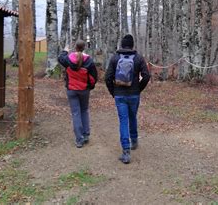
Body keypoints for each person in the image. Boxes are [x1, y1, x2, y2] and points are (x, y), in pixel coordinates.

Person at [105, 34, 151, 164]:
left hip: (120, 95)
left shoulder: (115, 58)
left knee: (123, 121)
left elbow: (107, 78)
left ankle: (126, 152)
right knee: (133, 117)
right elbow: (147, 76)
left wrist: (113, 92)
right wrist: (139, 88)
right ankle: (134, 140)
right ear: (132, 45)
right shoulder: (138, 58)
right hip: (134, 94)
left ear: (122, 44)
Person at [58, 40, 98, 148]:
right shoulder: (89, 60)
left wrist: (65, 51)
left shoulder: (68, 59)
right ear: (84, 47)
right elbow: (94, 77)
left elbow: (60, 58)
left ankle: (79, 139)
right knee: (84, 111)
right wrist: (90, 87)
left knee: (76, 113)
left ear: (75, 47)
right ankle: (85, 135)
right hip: (84, 90)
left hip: (71, 90)